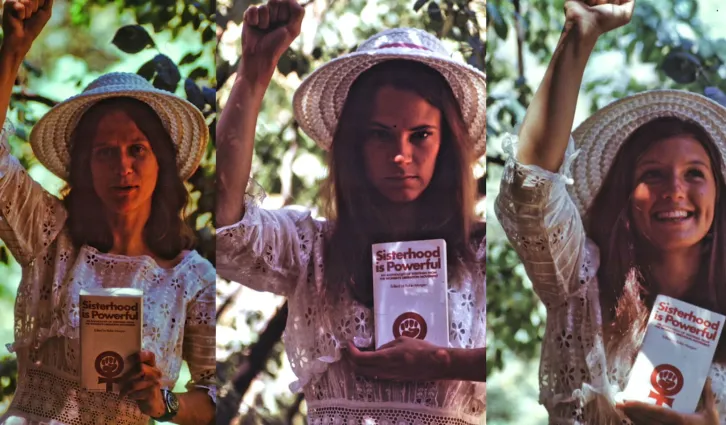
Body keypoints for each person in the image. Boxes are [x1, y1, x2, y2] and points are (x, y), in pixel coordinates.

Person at [215, 0, 486, 423]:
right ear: (354, 146)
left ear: (447, 143)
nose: (401, 155)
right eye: (380, 135)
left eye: (421, 135)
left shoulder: (484, 255)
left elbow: (542, 359)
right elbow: (230, 230)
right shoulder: (313, 250)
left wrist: (448, 362)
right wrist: (253, 74)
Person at [495, 0, 725, 423]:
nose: (675, 190)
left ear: (718, 194)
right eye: (652, 175)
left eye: (694, 173)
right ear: (624, 198)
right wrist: (580, 32)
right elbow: (532, 190)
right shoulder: (579, 286)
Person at [0, 1, 216, 424]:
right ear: (84, 167)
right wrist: (12, 52)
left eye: (137, 149)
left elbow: (212, 396)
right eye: (104, 153)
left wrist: (163, 402)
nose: (123, 169)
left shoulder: (192, 278)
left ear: (162, 162)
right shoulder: (50, 236)